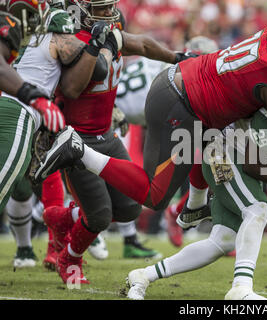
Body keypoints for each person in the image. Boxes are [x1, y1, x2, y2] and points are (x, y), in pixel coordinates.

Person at [34, 11, 267, 227]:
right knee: (155, 196)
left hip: (193, 95)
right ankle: (79, 150)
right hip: (182, 105)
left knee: (225, 148)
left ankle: (195, 205)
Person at [125, 78, 267, 300]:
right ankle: (241, 288)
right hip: (221, 153)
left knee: (222, 240)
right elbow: (255, 166)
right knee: (258, 209)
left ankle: (144, 275)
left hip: (236, 155)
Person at [41, 0, 198, 285]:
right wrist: (96, 46)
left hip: (107, 135)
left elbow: (142, 44)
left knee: (131, 207)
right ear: (79, 10)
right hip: (76, 139)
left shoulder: (108, 30)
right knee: (99, 216)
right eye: (100, 8)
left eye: (108, 6)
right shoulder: (69, 41)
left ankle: (64, 218)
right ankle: (69, 258)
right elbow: (73, 88)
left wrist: (176, 57)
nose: (108, 12)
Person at [0, 0, 109, 267]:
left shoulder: (15, 26)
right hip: (18, 109)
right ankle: (51, 245)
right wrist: (97, 45)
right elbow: (98, 69)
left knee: (20, 186)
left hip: (17, 102)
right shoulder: (56, 23)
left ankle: (35, 247)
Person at [114, 35, 219, 249]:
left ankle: (138, 233)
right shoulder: (191, 72)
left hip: (122, 108)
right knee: (150, 186)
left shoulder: (159, 60)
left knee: (208, 160)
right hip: (139, 114)